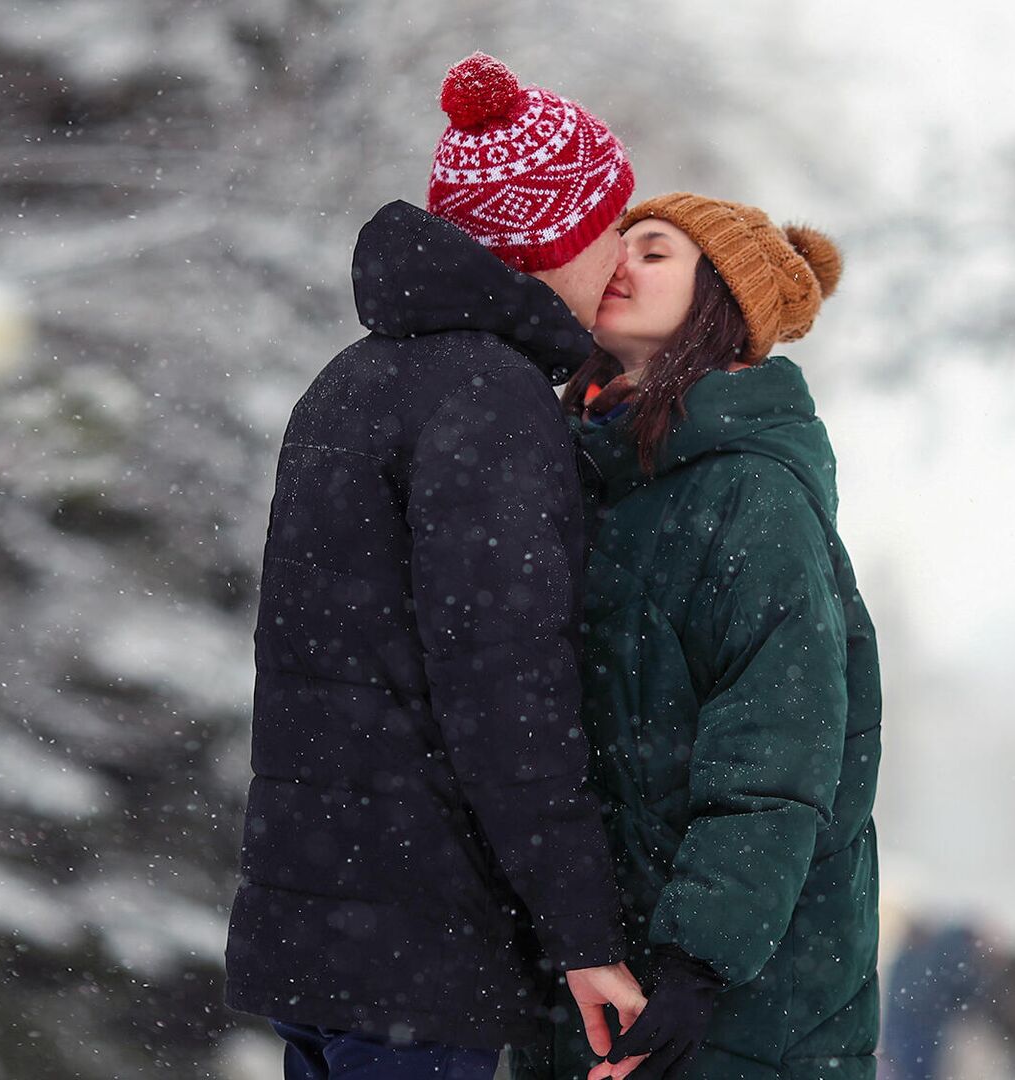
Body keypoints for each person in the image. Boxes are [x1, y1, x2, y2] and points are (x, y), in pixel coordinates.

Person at [224, 53, 664, 1080]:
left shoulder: (350, 383)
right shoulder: (492, 402)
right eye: (610, 226)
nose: (621, 259)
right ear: (551, 236)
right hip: (418, 942)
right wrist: (585, 936)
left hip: (326, 929)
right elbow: (507, 691)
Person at [516, 194, 883, 1080]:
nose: (621, 264)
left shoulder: (750, 493)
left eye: (655, 252)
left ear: (722, 300)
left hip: (738, 993)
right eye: (617, 246)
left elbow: (778, 744)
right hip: (603, 967)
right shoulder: (591, 471)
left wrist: (698, 961)